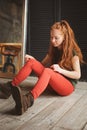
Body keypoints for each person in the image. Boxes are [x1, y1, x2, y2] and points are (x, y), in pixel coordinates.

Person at [0, 20, 84, 115]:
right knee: (32, 62)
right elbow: (41, 65)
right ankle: (9, 88)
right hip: (53, 84)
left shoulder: (73, 54)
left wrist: (60, 70)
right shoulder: (53, 50)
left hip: (66, 87)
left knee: (48, 71)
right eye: (51, 37)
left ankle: (28, 100)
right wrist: (33, 60)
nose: (53, 40)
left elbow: (78, 75)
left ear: (65, 38)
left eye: (56, 38)